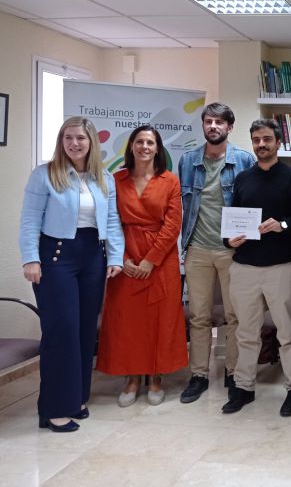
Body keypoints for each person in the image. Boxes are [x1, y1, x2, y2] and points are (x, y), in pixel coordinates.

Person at [19, 116, 124, 432]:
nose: (74, 143)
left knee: (82, 331)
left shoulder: (103, 178)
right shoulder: (45, 175)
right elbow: (29, 221)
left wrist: (115, 257)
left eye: (80, 138)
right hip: (55, 257)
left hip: (93, 256)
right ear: (61, 141)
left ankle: (75, 399)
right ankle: (53, 409)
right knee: (61, 331)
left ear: (91, 142)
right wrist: (30, 260)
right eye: (68, 138)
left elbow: (112, 222)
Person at [222, 119, 291, 416]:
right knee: (246, 332)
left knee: (287, 333)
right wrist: (228, 240)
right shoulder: (243, 179)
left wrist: (282, 224)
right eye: (256, 139)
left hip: (281, 267)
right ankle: (244, 388)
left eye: (267, 139)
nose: (261, 144)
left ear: (278, 142)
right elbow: (231, 220)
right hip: (244, 267)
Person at [96, 125, 187, 407]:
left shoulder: (170, 180)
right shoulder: (116, 179)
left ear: (158, 148)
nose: (144, 147)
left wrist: (151, 260)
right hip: (125, 256)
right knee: (127, 322)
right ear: (131, 146)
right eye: (139, 141)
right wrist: (122, 259)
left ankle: (155, 376)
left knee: (160, 319)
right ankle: (132, 377)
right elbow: (110, 220)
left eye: (150, 142)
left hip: (161, 260)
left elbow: (173, 225)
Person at [178, 102, 255, 404]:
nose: (213, 127)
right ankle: (198, 374)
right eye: (208, 121)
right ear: (203, 126)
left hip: (231, 252)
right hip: (196, 248)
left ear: (229, 127)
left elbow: (251, 203)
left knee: (235, 316)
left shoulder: (244, 160)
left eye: (219, 122)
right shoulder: (187, 161)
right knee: (199, 316)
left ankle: (234, 373)